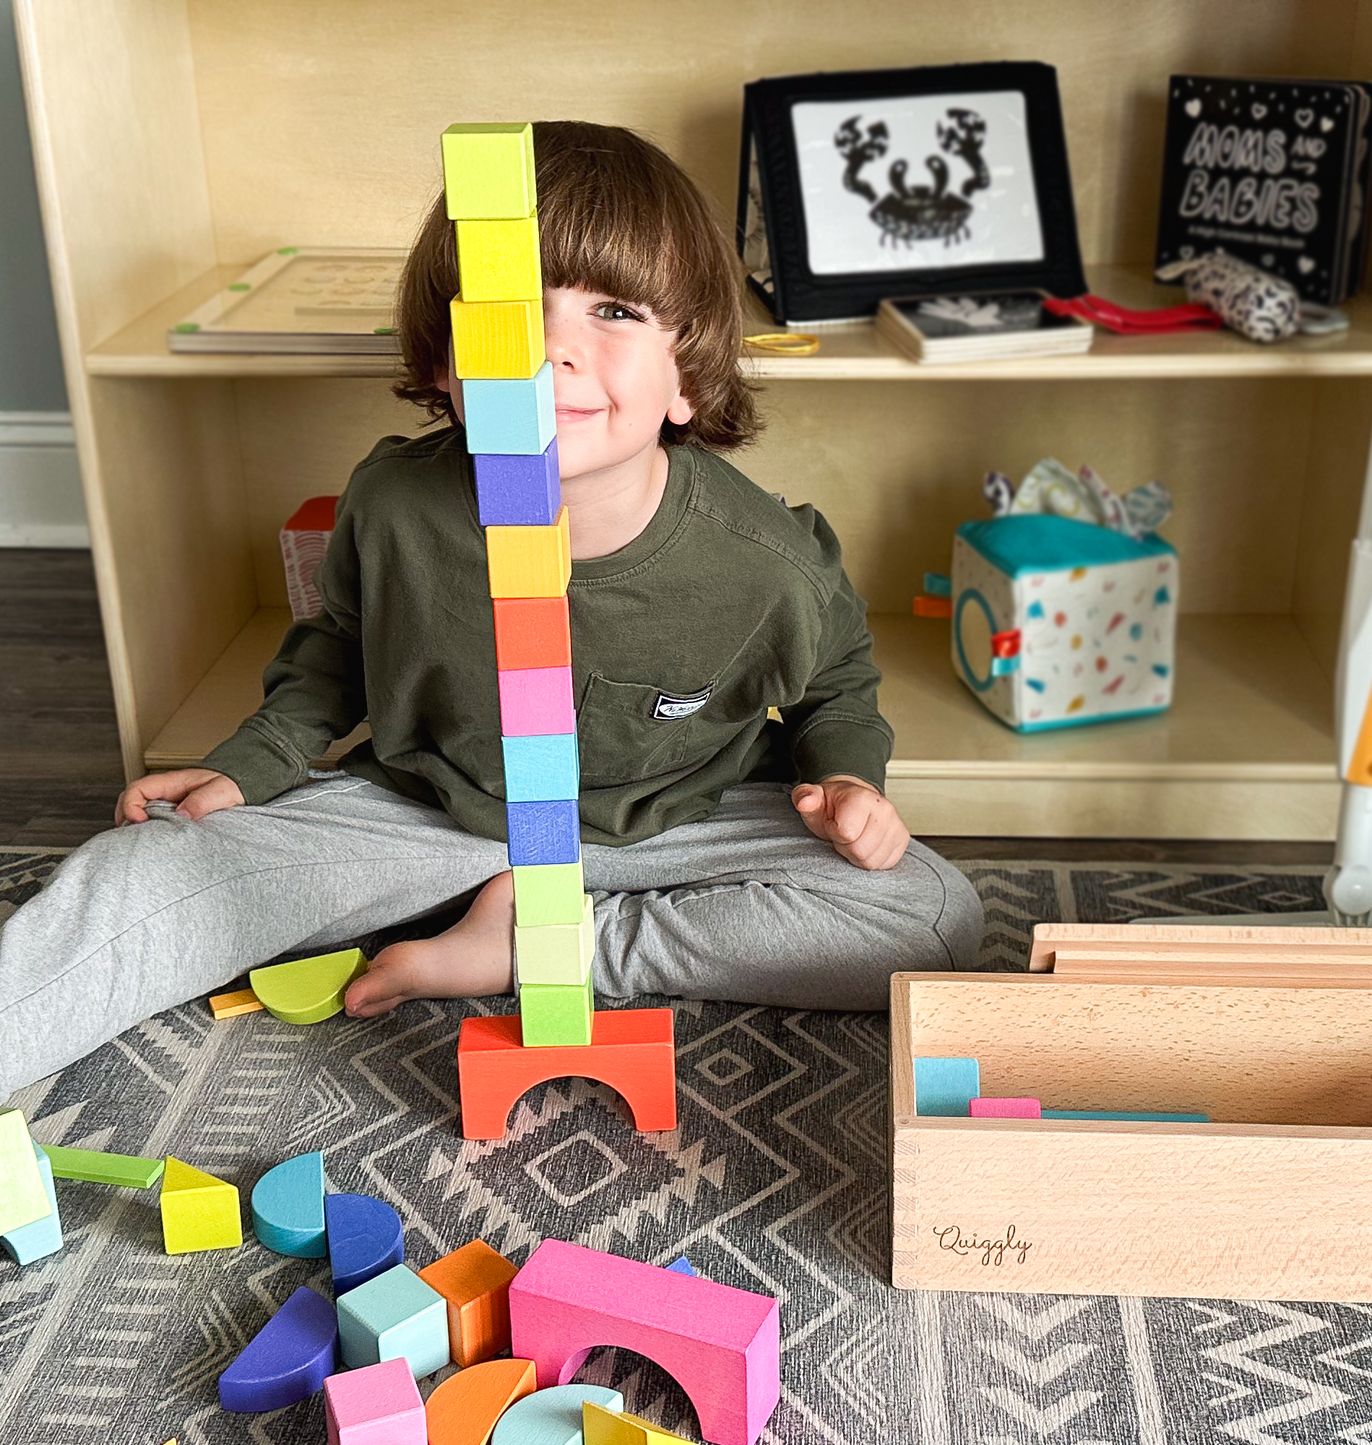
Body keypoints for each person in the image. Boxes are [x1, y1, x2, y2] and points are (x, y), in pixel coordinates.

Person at [0, 121, 981, 1098]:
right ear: (441, 361)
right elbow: (335, 648)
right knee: (142, 875)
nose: (553, 346)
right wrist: (251, 761)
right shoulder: (390, 504)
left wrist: (847, 779)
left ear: (687, 371)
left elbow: (836, 686)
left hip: (676, 822)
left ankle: (540, 940)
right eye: (508, 309)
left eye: (613, 309)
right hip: (434, 809)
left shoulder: (766, 557)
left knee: (929, 916)